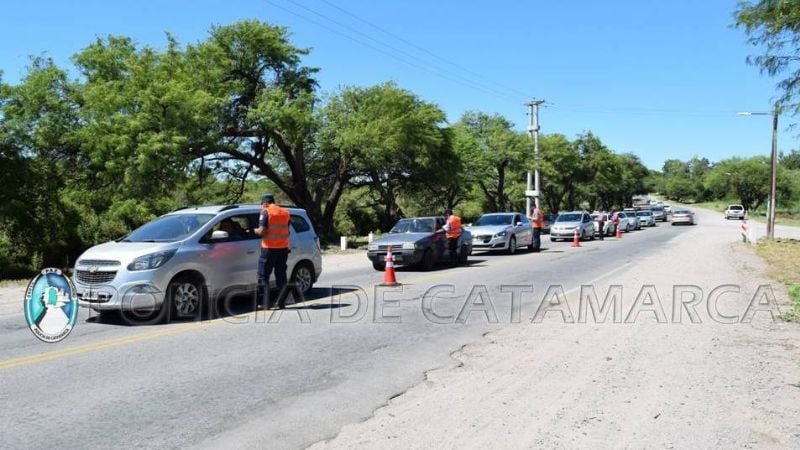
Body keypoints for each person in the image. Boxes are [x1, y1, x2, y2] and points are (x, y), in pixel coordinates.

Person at [254, 194, 291, 310]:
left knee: (263, 276)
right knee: (281, 276)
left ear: (265, 202)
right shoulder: (285, 212)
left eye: (262, 204)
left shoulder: (266, 212)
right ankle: (282, 302)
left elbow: (262, 232)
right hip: (283, 249)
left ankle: (265, 303)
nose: (261, 206)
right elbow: (287, 229)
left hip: (269, 249)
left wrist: (252, 230)